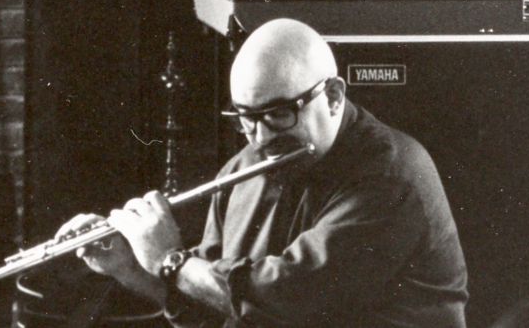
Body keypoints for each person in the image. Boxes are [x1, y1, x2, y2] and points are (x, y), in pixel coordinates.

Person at [61, 18, 467, 327]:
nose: (259, 138)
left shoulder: (391, 177)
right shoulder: (247, 166)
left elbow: (291, 295)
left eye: (278, 113)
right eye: (246, 118)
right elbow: (215, 305)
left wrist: (169, 260)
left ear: (333, 96)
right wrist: (129, 267)